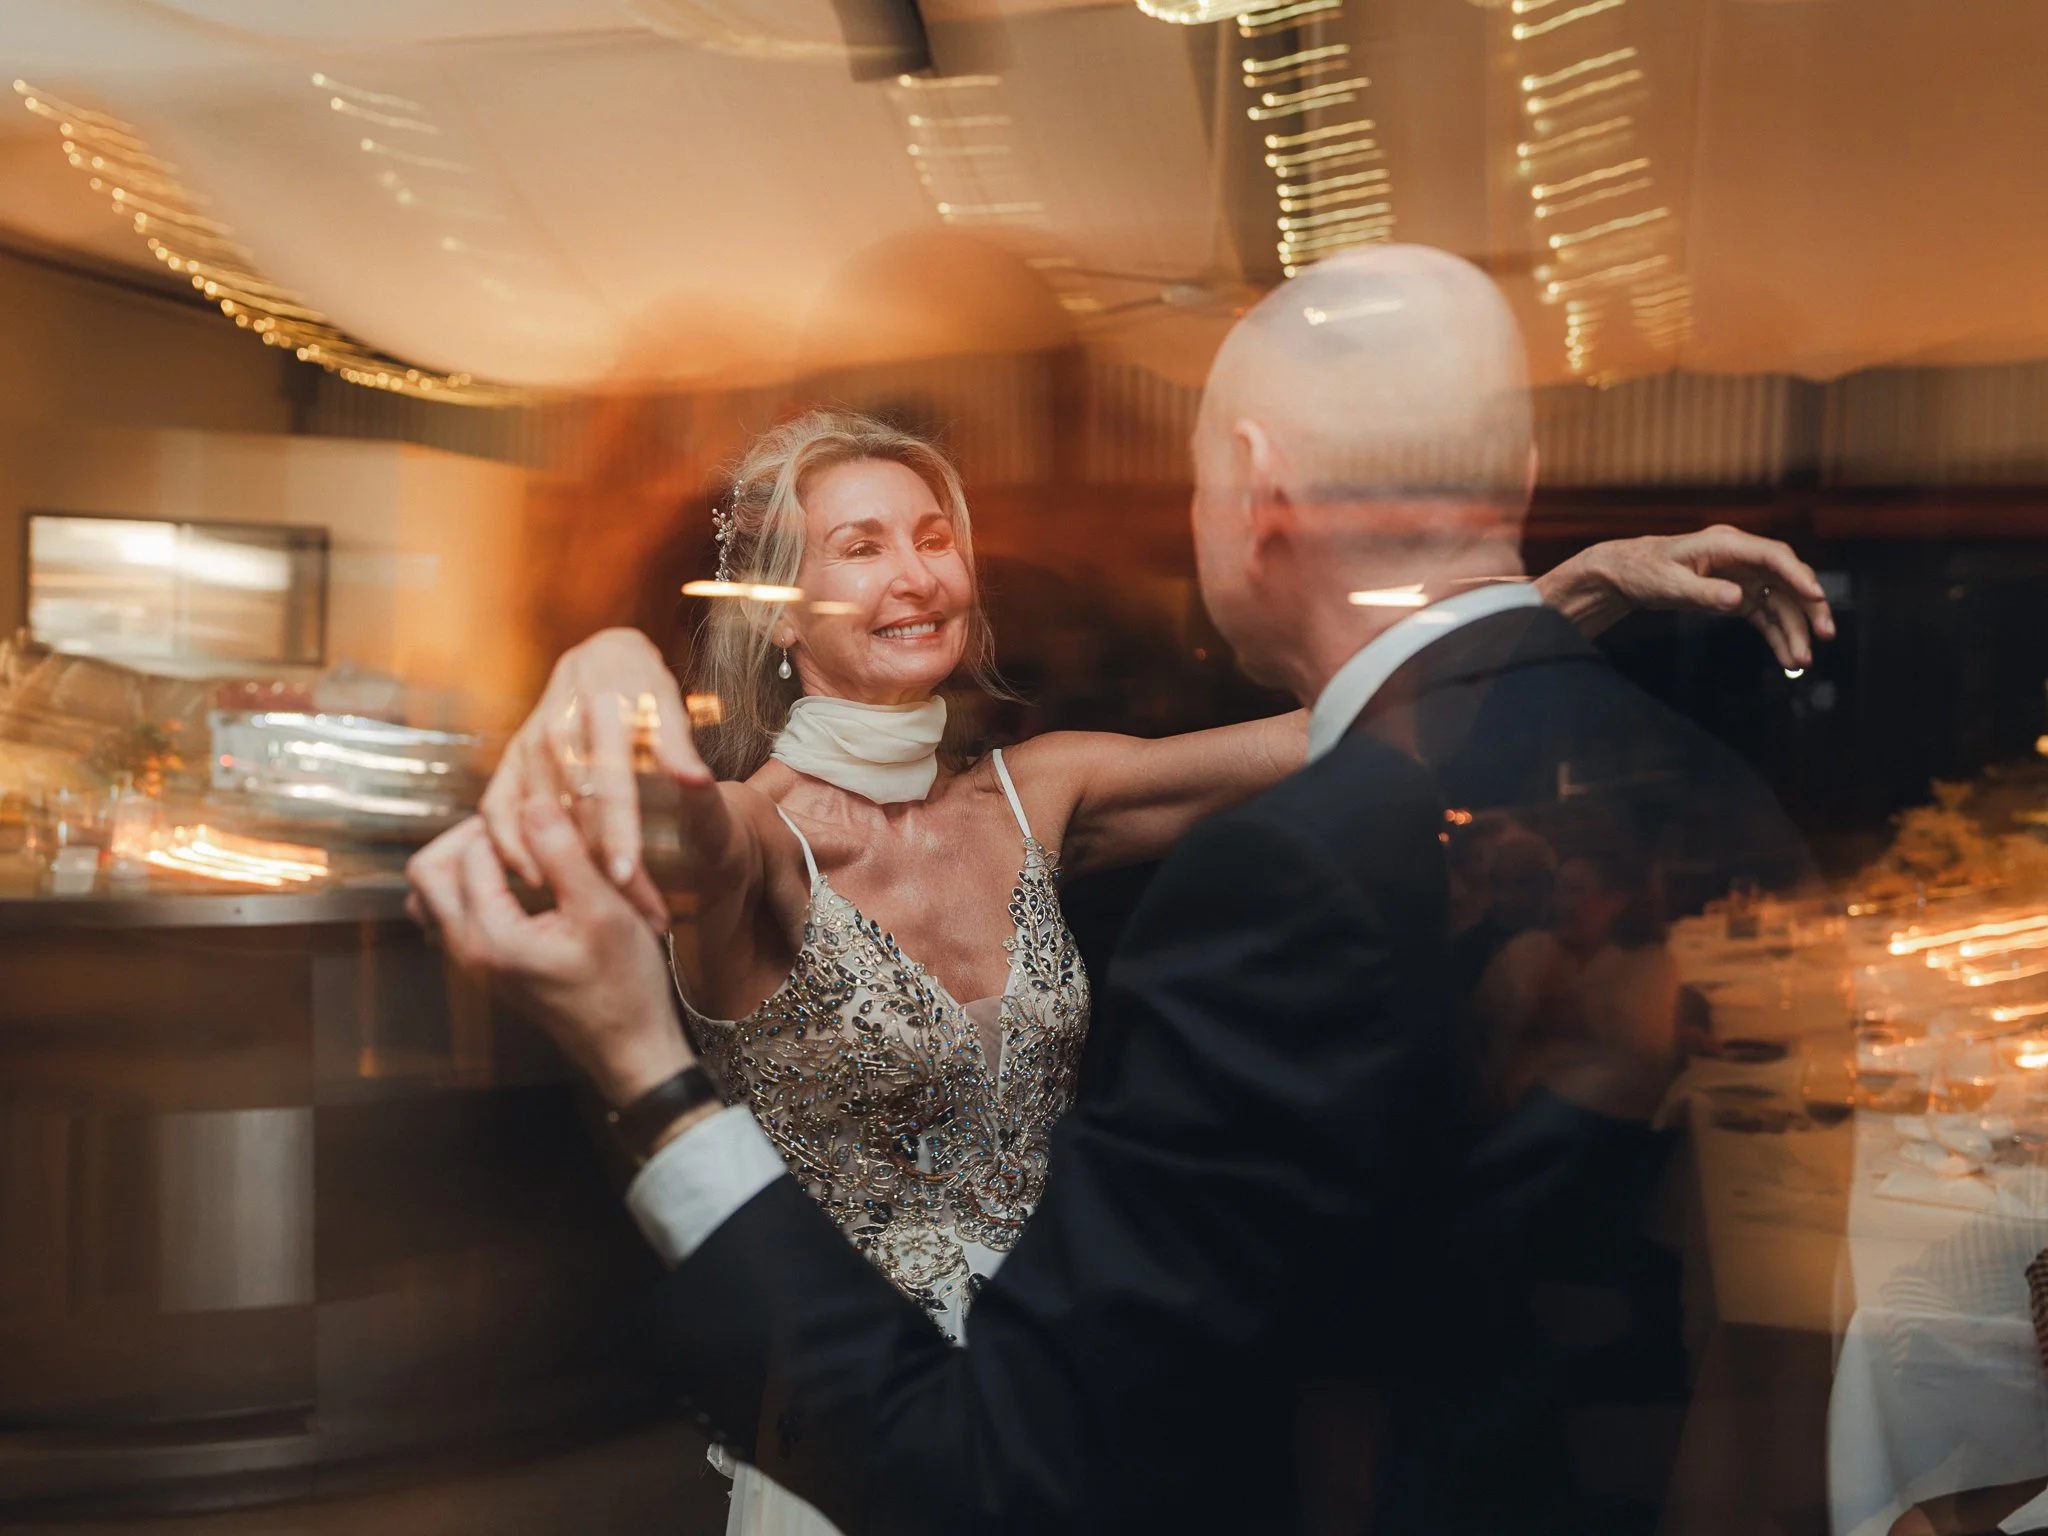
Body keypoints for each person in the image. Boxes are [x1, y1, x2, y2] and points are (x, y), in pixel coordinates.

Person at [409, 246, 1827, 1535]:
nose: (918, 575)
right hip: (864, 1415)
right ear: (781, 610)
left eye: (933, 535)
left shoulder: (1050, 789)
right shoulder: (758, 840)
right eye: (863, 546)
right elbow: (664, 832)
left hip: (1087, 1393)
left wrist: (1566, 588)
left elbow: (1338, 723)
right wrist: (604, 664)